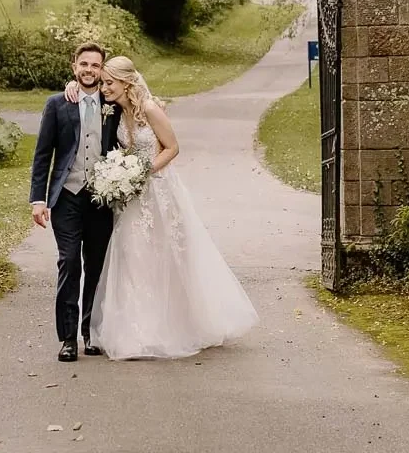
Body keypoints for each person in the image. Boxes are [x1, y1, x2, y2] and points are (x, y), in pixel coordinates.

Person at [82, 55, 259, 359]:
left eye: (110, 82)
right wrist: (122, 174)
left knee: (164, 257)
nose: (104, 87)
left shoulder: (150, 109)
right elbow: (83, 93)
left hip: (159, 192)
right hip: (130, 197)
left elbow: (173, 147)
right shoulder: (114, 111)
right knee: (131, 256)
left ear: (126, 82)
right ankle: (135, 331)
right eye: (104, 82)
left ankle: (178, 325)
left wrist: (142, 171)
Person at [29, 42, 122, 362]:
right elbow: (43, 155)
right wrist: (38, 200)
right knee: (69, 263)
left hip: (101, 199)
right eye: (84, 64)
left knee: (96, 267)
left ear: (102, 70)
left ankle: (90, 333)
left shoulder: (114, 104)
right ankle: (68, 338)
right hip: (67, 198)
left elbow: (137, 103)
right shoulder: (58, 104)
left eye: (95, 66)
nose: (88, 70)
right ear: (74, 67)